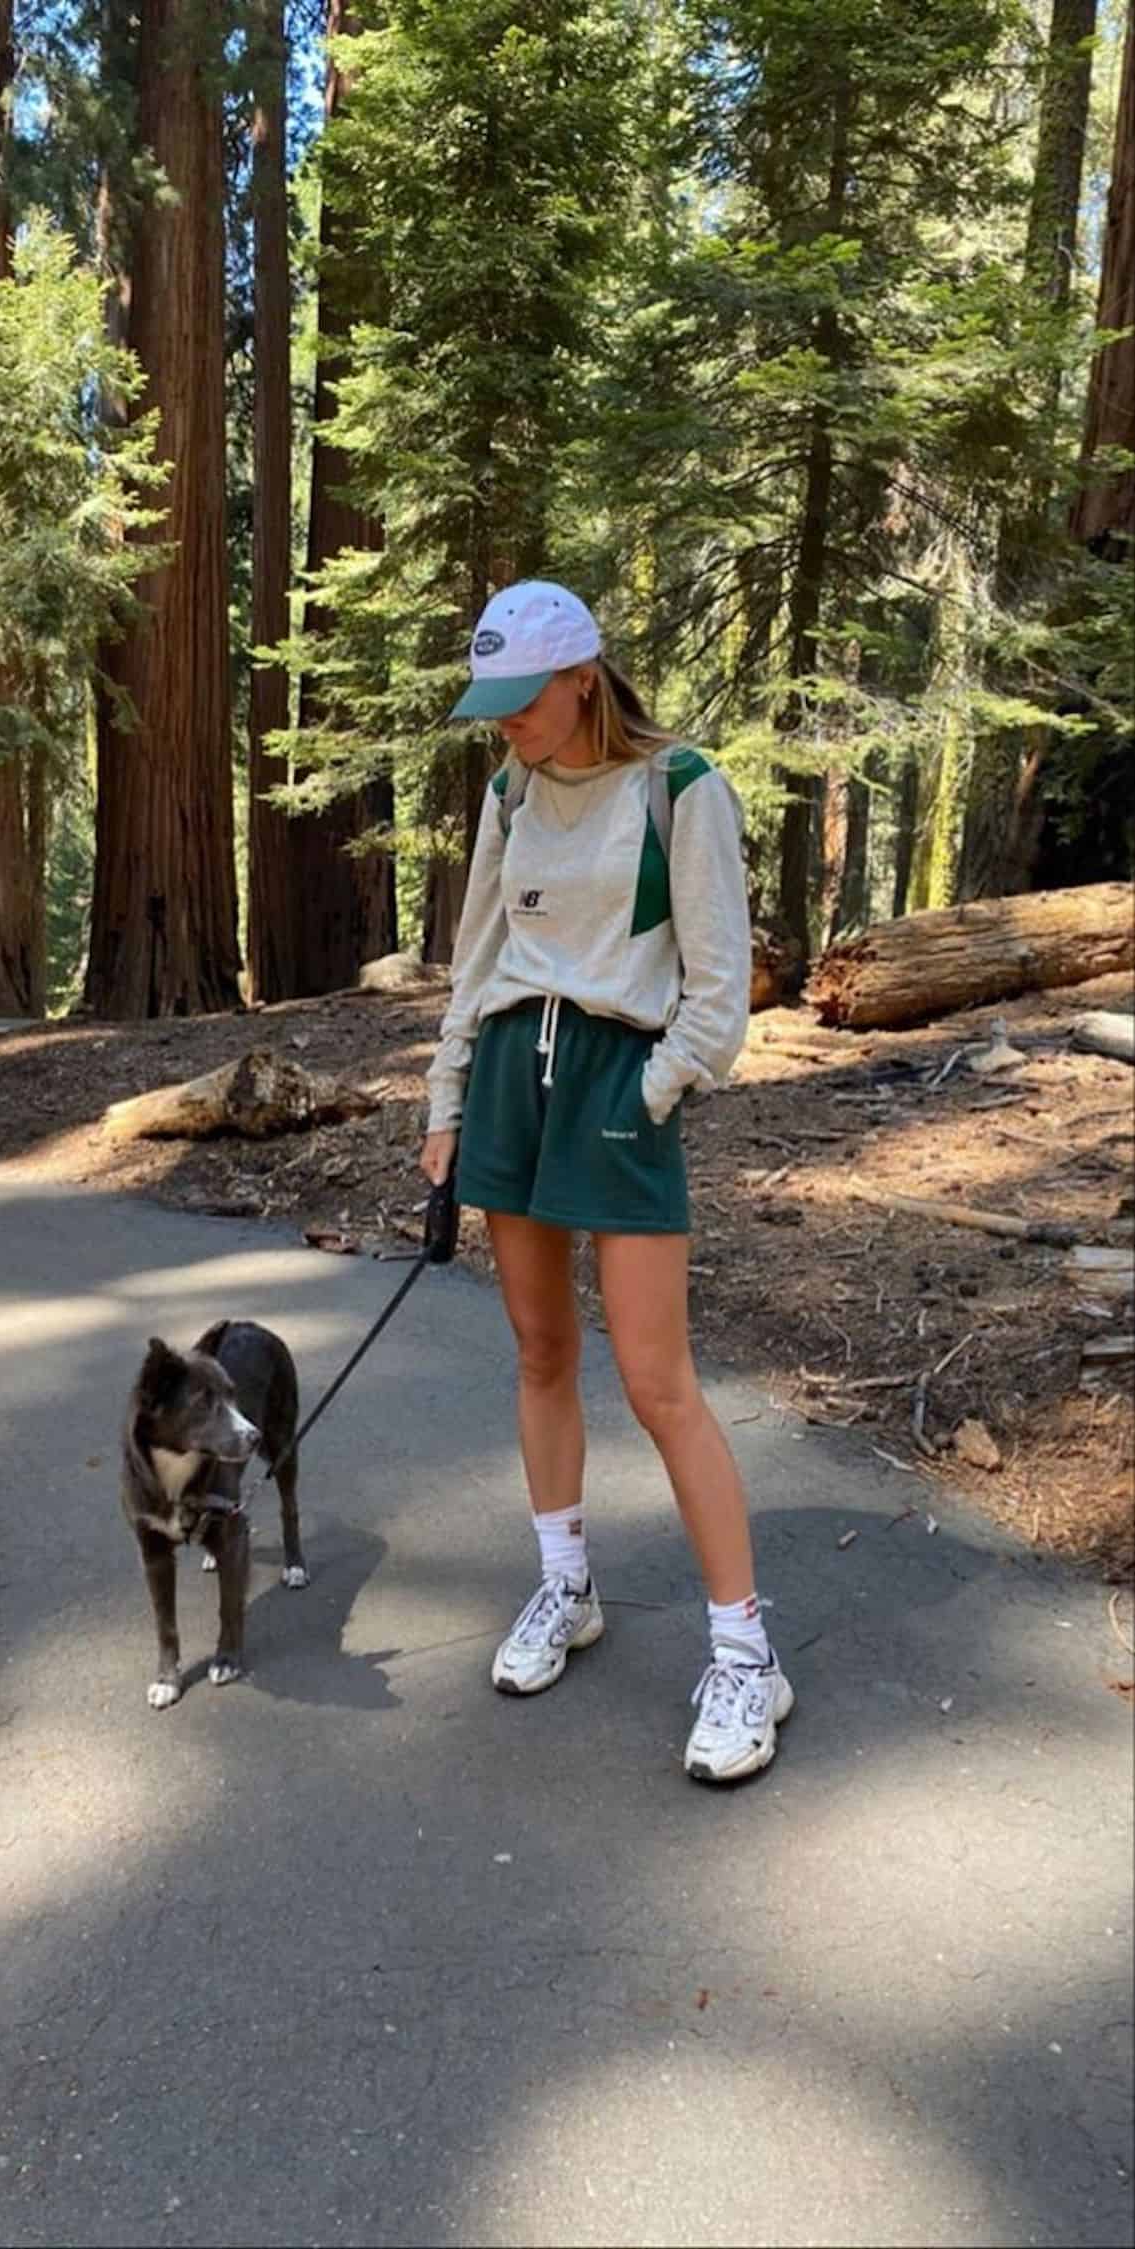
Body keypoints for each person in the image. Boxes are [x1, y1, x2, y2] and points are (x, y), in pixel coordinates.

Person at [419, 579, 794, 1785]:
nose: (504, 723)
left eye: (520, 701)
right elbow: (477, 958)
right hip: (510, 1086)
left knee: (654, 1376)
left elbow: (718, 988)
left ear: (582, 677)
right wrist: (446, 1099)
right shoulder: (506, 790)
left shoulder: (677, 786)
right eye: (492, 705)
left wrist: (648, 1089)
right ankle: (564, 1587)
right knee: (537, 1350)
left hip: (613, 1079)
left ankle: (746, 1656)